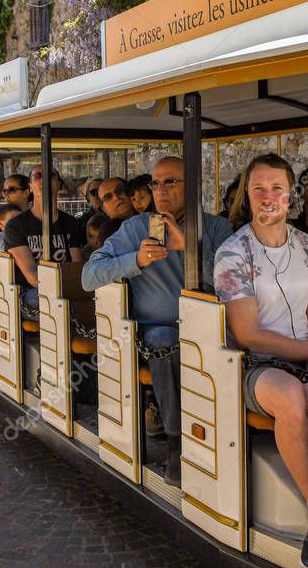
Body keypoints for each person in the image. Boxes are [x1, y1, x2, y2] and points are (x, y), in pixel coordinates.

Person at [213, 153, 308, 568]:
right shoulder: (233, 253)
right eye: (259, 189)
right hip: (258, 366)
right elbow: (249, 333)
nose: (269, 197)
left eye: (277, 188)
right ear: (248, 195)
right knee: (290, 395)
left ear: (290, 194)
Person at [82, 156, 232, 486]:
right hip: (157, 333)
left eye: (170, 182)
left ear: (192, 186)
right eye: (155, 183)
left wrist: (187, 248)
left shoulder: (217, 228)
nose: (160, 190)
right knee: (165, 339)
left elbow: (233, 283)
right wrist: (135, 259)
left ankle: (231, 447)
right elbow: (89, 276)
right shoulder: (136, 228)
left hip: (211, 331)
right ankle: (178, 443)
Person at [3, 165, 84, 312]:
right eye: (38, 176)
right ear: (30, 187)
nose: (44, 179)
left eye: (51, 175)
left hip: (67, 287)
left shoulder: (70, 223)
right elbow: (32, 275)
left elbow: (76, 267)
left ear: (59, 185)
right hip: (31, 292)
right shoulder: (16, 226)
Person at [0, 174, 29, 259]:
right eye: (4, 190)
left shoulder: (36, 214)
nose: (5, 194)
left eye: (11, 190)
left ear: (26, 192)